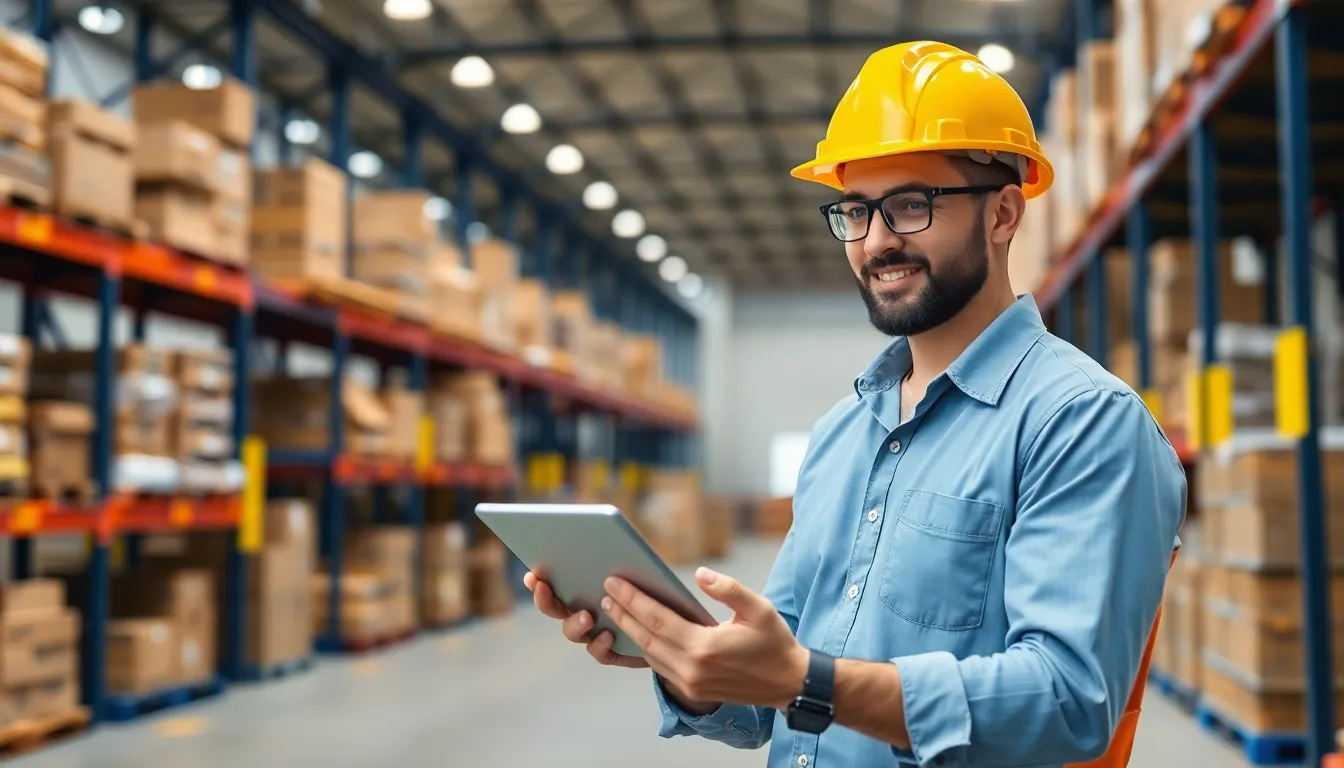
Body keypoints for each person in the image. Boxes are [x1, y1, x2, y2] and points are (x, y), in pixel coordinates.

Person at [524, 40, 1186, 767]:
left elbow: (1067, 701)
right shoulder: (842, 435)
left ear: (1003, 216)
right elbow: (767, 701)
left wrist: (809, 682)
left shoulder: (1082, 422)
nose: (875, 242)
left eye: (909, 205)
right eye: (855, 212)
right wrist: (690, 665)